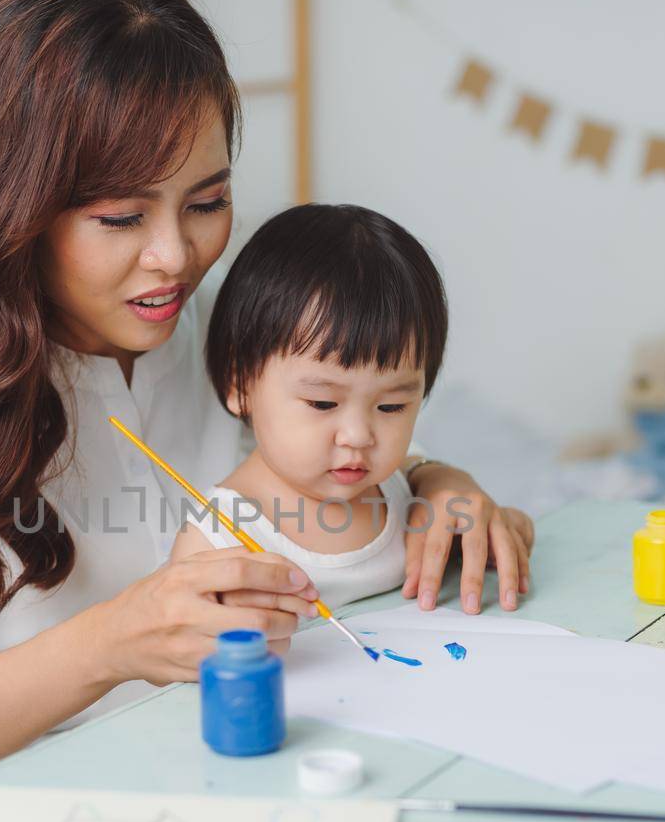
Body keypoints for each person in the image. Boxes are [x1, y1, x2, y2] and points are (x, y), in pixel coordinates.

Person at [0, 0, 536, 822]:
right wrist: (113, 643)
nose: (175, 256)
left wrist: (441, 485)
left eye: (207, 203)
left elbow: (313, 458)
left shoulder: (197, 325)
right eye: (121, 217)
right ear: (24, 204)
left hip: (179, 783)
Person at [171, 204, 473, 612]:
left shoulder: (414, 500)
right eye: (323, 402)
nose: (358, 435)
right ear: (240, 383)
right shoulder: (219, 540)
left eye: (392, 406)